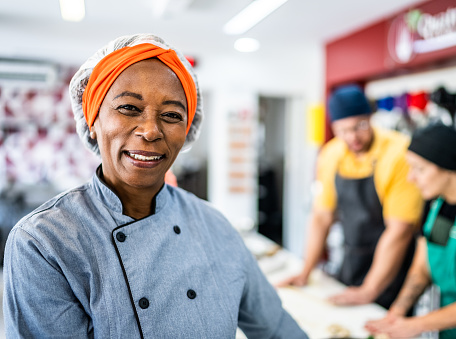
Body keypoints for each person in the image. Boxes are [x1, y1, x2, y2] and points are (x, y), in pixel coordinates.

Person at [2, 33, 308, 339]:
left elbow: (277, 328)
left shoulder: (214, 226)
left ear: (186, 131)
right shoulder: (44, 242)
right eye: (129, 108)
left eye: (172, 115)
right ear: (93, 121)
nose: (150, 131)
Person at [278, 84, 423, 309]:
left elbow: (400, 230)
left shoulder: (398, 152)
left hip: (394, 267)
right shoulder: (331, 153)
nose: (352, 137)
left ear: (371, 117)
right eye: (343, 130)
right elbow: (321, 217)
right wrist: (305, 272)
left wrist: (370, 289)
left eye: (360, 126)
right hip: (352, 260)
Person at [365, 123, 456, 339]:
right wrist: (397, 313)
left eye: (419, 169)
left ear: (447, 166)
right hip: (452, 332)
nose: (410, 178)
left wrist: (415, 325)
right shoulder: (434, 205)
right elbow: (421, 269)